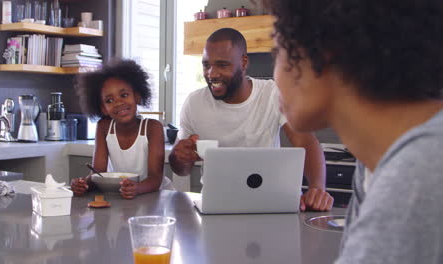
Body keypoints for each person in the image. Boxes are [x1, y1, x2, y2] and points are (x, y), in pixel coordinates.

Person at [264, 0, 443, 262]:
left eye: (278, 48)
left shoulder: (419, 175)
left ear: (324, 49)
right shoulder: (372, 167)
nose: (275, 74)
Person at [169, 28, 333, 211]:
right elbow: (181, 169)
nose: (212, 74)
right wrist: (179, 158)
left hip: (268, 203)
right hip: (215, 206)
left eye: (222, 65)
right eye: (207, 65)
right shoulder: (194, 103)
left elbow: (307, 143)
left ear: (244, 62)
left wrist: (317, 187)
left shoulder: (273, 94)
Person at [71, 59, 171, 199]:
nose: (118, 103)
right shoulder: (103, 127)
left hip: (155, 196)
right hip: (121, 196)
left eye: (124, 95)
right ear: (102, 108)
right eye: (109, 100)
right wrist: (83, 184)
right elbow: (98, 172)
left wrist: (136, 189)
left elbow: (155, 179)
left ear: (137, 96)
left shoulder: (153, 128)